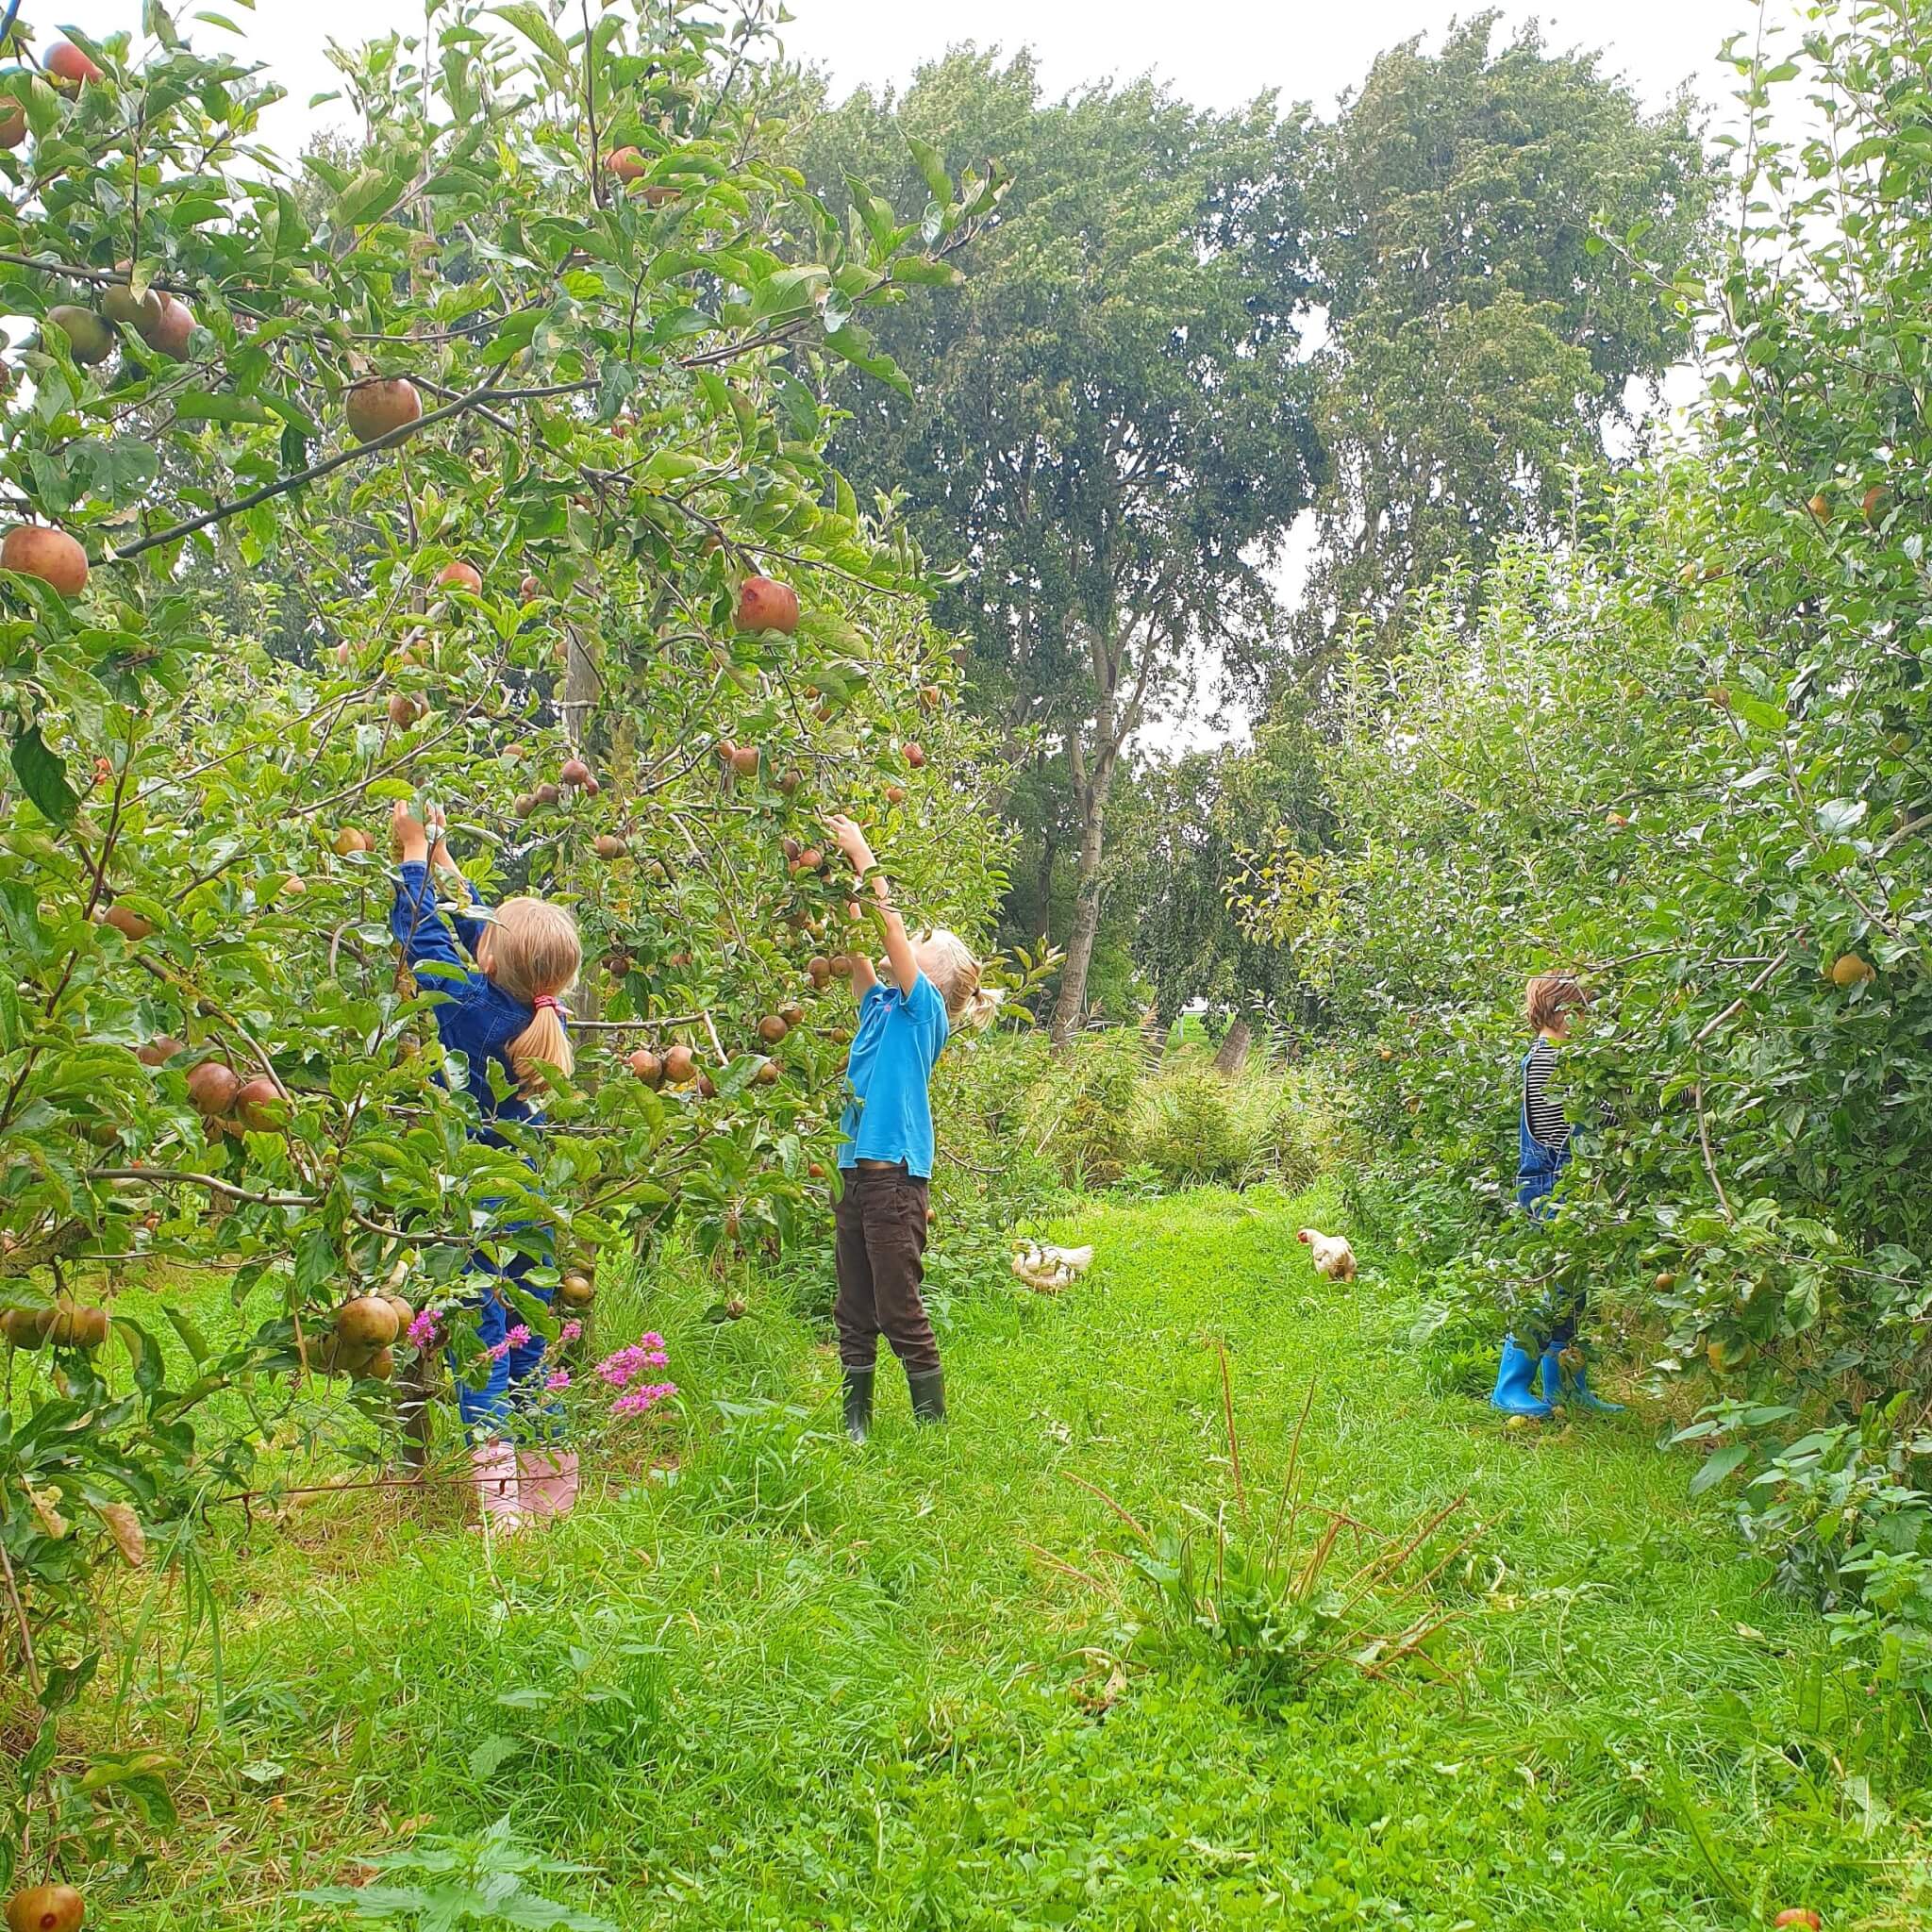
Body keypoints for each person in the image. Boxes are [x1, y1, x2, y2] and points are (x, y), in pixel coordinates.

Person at [389, 800, 585, 1528]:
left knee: (484, 1350)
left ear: (492, 960)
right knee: (533, 1340)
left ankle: (503, 1514)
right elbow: (482, 936)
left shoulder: (470, 1009)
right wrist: (446, 864)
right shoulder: (545, 1015)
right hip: (529, 1204)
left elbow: (426, 941)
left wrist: (412, 858)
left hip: (475, 1205)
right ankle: (554, 1499)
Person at [824, 812, 984, 1443]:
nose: (908, 940)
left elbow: (886, 927)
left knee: (897, 1305)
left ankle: (931, 1423)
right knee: (853, 1304)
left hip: (895, 1181)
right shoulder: (881, 1005)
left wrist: (865, 856)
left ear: (937, 978)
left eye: (922, 941)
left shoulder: (925, 1015)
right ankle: (856, 1421)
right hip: (853, 1175)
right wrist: (837, 883)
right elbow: (861, 942)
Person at [1490, 971, 1625, 1419]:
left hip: (1572, 1186)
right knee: (1554, 1288)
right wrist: (1616, 1113)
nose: (1589, 1020)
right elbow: (1557, 1125)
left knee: (1573, 1291)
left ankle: (1566, 1387)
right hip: (1550, 1185)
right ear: (1562, 1012)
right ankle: (1509, 1386)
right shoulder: (1547, 1059)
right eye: (1583, 1011)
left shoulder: (1569, 1059)